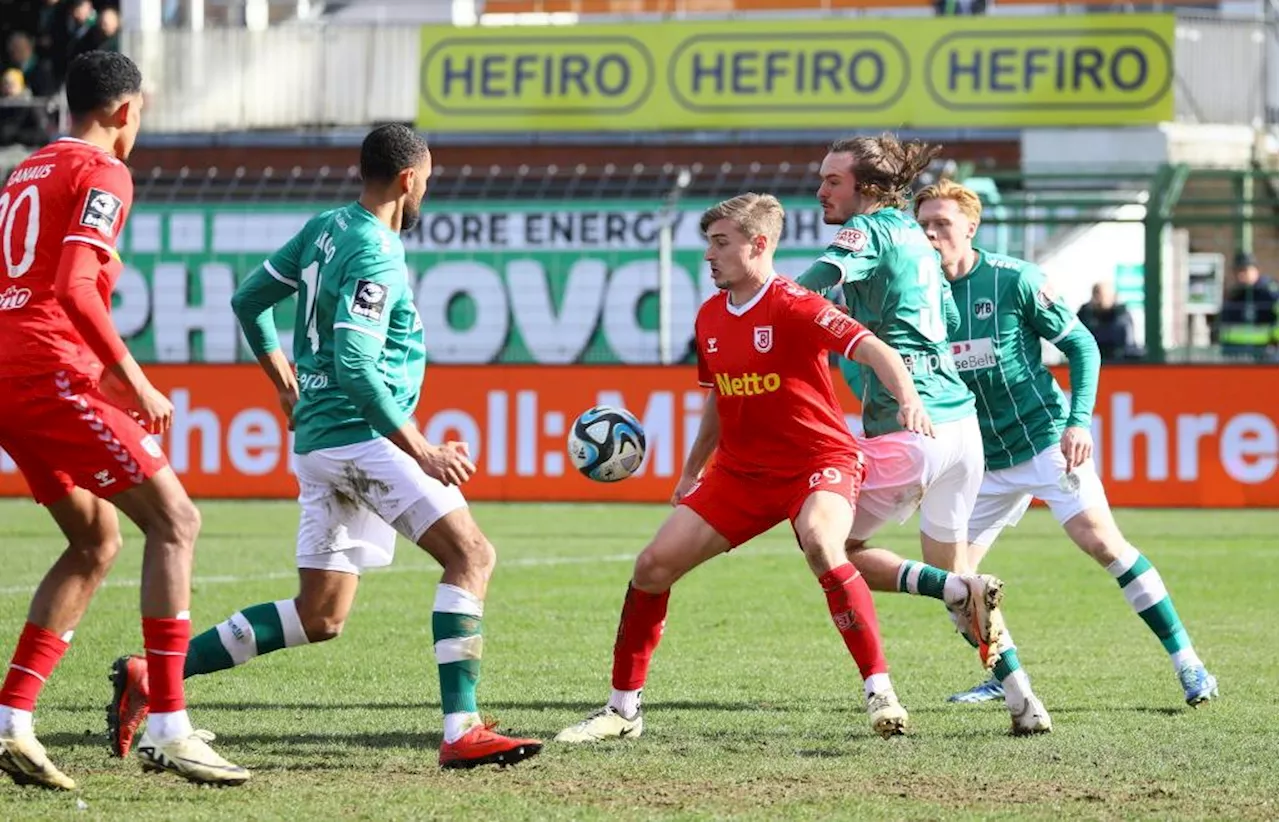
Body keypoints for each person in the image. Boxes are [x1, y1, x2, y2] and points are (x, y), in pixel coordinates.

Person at [106, 124, 543, 770]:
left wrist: (285, 382)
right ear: (408, 179)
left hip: (319, 443)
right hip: (363, 440)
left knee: (320, 614)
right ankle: (462, 728)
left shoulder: (326, 227)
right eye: (428, 179)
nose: (427, 189)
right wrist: (419, 448)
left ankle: (151, 674)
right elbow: (357, 363)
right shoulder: (375, 252)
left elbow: (250, 298)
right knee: (472, 555)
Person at [556, 193, 989, 745]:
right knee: (651, 568)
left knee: (822, 544)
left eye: (720, 243)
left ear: (758, 245)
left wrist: (909, 399)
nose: (709, 256)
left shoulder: (796, 304)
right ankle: (622, 712)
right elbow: (717, 397)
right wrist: (693, 471)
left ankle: (880, 693)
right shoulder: (710, 314)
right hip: (740, 474)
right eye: (707, 244)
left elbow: (874, 348)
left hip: (819, 461)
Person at [0, 51, 247, 790]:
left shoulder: (26, 170)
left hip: (12, 371)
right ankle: (170, 725)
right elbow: (76, 288)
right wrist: (134, 380)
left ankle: (12, 718)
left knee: (94, 539)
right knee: (175, 521)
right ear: (126, 110)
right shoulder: (105, 173)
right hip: (49, 371)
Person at [914, 179, 1219, 708]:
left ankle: (1188, 663)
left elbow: (1082, 345)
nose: (932, 234)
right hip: (978, 457)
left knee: (1102, 543)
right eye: (924, 226)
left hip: (1042, 439)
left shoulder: (1014, 280)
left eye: (942, 224)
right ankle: (1001, 672)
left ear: (971, 226)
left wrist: (1079, 422)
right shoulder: (919, 294)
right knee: (955, 583)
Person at [795, 135, 1051, 735]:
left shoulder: (873, 230)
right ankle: (1024, 701)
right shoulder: (918, 238)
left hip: (909, 428)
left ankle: (955, 588)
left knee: (832, 547)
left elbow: (818, 278)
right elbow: (954, 321)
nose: (821, 190)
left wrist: (767, 302)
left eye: (833, 181)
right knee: (963, 587)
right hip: (962, 431)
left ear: (866, 187)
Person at [1217, 251, 1279, 361]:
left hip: (1264, 352)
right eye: (1237, 271)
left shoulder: (1269, 293)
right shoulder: (1234, 295)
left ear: (1256, 270)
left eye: (1244, 270)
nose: (1241, 275)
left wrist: (1274, 342)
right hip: (1234, 352)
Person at [1077, 282, 1140, 361]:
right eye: (1095, 294)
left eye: (1101, 295)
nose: (1098, 299)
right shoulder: (1084, 314)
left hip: (1117, 363)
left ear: (1113, 297)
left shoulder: (1122, 315)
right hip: (1090, 360)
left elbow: (1128, 345)